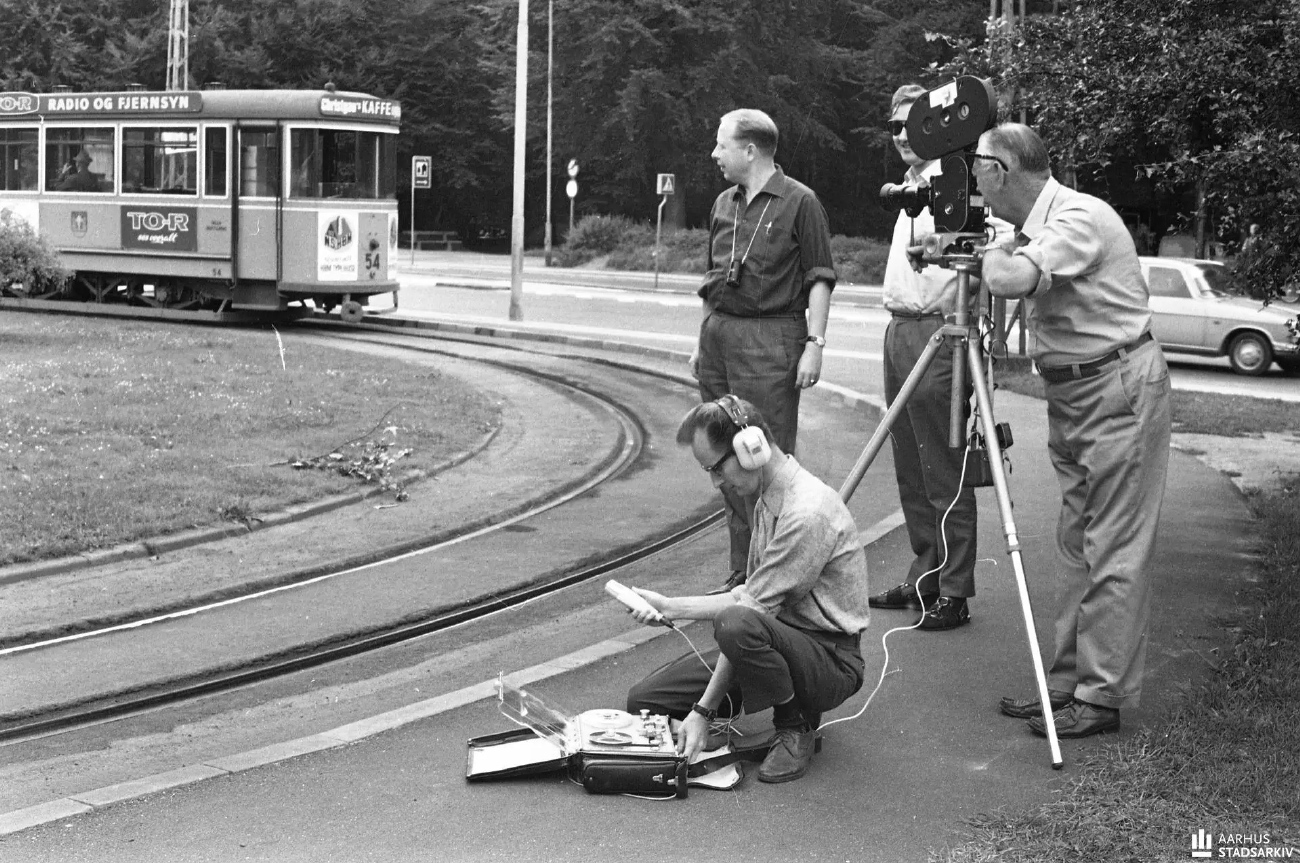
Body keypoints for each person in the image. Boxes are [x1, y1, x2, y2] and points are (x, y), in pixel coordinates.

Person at [974, 122, 1172, 739]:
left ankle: (1101, 696)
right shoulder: (1032, 228)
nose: (972, 180)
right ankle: (1065, 684)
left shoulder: (1078, 217)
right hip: (1076, 391)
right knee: (1077, 543)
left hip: (1115, 386)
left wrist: (976, 250)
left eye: (976, 166)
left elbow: (1008, 280)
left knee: (1113, 547)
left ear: (1002, 169)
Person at [623, 396, 870, 783]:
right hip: (774, 639)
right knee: (645, 701)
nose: (716, 482)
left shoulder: (807, 512)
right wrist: (700, 712)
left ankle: (795, 725)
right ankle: (763, 708)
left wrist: (671, 608)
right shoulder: (766, 497)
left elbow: (746, 614)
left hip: (829, 661)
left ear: (750, 448)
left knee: (737, 623)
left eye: (716, 468)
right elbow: (749, 611)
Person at [690, 108, 837, 593]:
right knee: (725, 462)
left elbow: (820, 278)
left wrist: (814, 345)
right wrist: (702, 341)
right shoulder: (723, 203)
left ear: (750, 150)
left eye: (721, 145)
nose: (715, 154)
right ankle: (743, 571)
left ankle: (775, 577)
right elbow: (714, 277)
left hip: (770, 338)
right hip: (720, 336)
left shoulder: (801, 203)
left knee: (762, 460)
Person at [867, 84, 980, 631]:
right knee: (910, 464)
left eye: (911, 125)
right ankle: (924, 575)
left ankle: (954, 589)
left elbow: (990, 253)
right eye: (893, 127)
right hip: (900, 330)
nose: (901, 137)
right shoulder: (909, 188)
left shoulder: (958, 183)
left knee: (944, 466)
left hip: (940, 333)